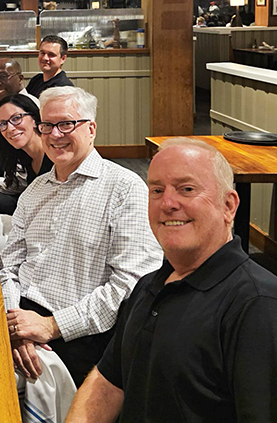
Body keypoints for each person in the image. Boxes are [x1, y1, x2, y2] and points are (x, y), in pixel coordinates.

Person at [66, 139, 277, 423]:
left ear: (228, 206)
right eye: (156, 190)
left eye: (186, 189)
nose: (167, 203)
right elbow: (108, 381)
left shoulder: (257, 306)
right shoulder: (148, 285)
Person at [0, 86, 162, 386]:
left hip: (82, 334)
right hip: (20, 315)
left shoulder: (125, 189)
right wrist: (15, 325)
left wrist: (51, 326)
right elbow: (8, 267)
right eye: (47, 125)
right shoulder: (35, 191)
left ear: (91, 129)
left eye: (66, 124)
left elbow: (131, 286)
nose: (55, 134)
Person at [0, 94, 52, 215]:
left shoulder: (54, 154)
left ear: (34, 119)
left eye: (16, 118)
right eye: (3, 124)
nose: (10, 128)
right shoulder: (24, 155)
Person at [0, 58, 40, 177]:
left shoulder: (30, 106)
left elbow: (25, 163)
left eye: (3, 76)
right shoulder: (10, 102)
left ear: (20, 79)